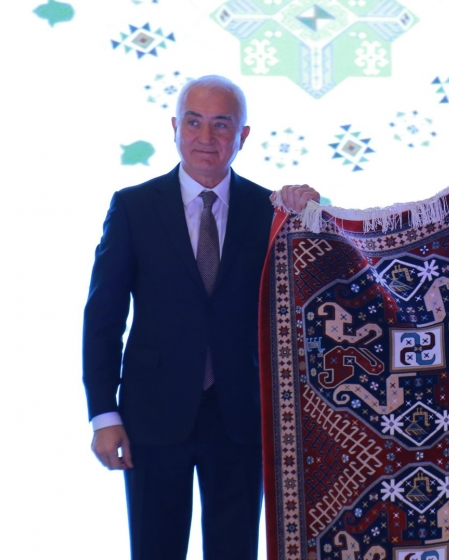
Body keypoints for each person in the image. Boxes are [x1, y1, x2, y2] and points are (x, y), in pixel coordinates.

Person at [82, 75, 318, 559]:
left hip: (242, 417)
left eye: (221, 125)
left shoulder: (271, 212)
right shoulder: (133, 207)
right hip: (152, 415)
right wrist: (103, 414)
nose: (206, 137)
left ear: (243, 135)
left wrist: (311, 215)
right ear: (174, 127)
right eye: (193, 122)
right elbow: (103, 318)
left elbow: (314, 299)